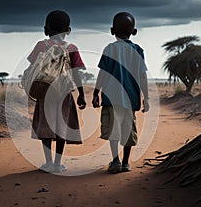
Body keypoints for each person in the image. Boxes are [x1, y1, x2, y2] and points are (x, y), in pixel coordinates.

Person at [27, 10, 86, 173]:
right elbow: (76, 73)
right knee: (62, 127)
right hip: (64, 94)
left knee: (45, 127)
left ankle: (48, 162)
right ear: (69, 30)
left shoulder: (41, 45)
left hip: (44, 93)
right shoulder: (72, 48)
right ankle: (58, 163)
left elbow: (33, 68)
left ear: (46, 30)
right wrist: (81, 94)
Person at [92, 12, 149, 173]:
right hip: (131, 100)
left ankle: (115, 160)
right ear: (134, 31)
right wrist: (147, 97)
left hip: (111, 98)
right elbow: (142, 75)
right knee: (129, 131)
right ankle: (126, 163)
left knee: (113, 131)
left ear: (112, 30)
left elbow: (103, 73)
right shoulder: (138, 50)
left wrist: (96, 92)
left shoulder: (110, 48)